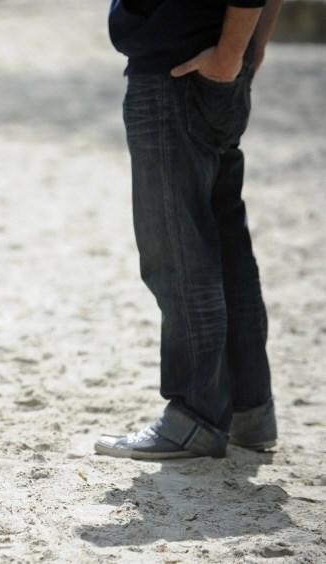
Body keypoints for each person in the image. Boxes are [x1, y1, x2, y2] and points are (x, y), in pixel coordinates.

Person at [95, 0, 284, 459]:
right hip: (214, 63)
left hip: (176, 73)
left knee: (177, 255)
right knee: (225, 247)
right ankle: (247, 410)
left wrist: (233, 51)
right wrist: (245, 47)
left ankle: (196, 417)